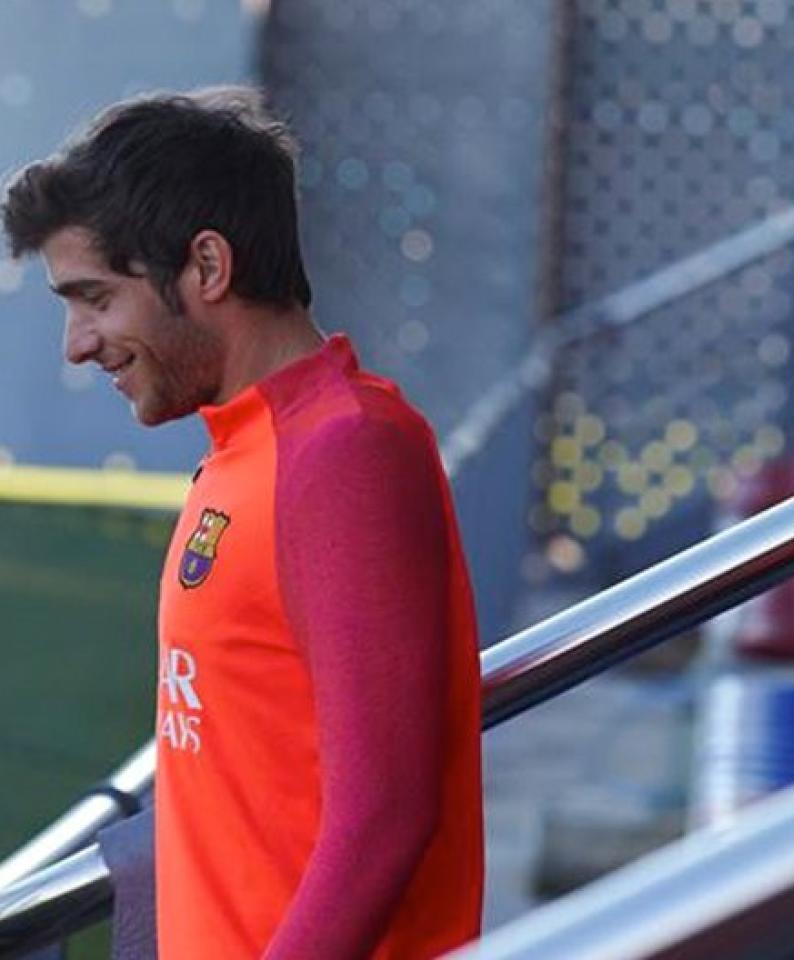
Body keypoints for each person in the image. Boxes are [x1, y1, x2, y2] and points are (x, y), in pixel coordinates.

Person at [2, 88, 484, 958]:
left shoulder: (347, 449)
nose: (76, 343)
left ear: (208, 267)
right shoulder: (246, 448)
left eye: (95, 297)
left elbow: (385, 816)